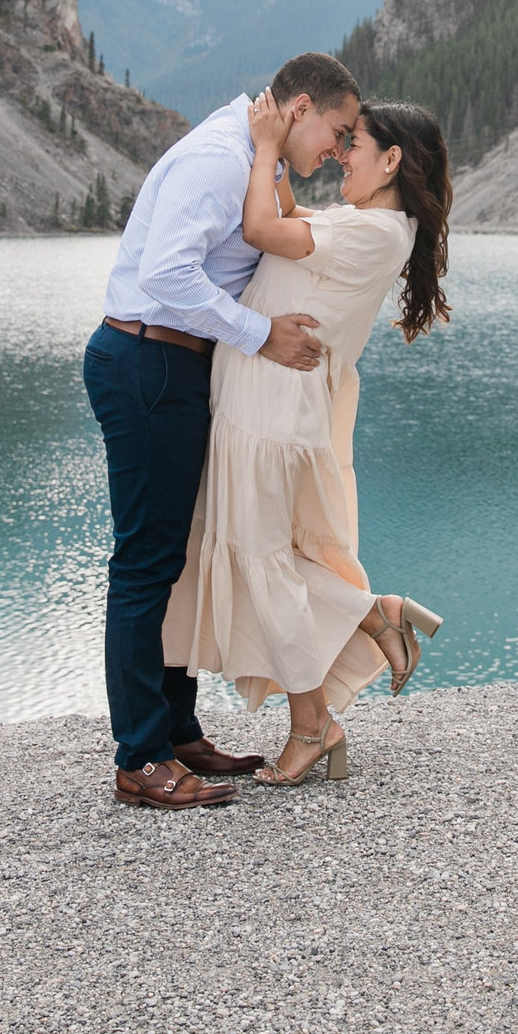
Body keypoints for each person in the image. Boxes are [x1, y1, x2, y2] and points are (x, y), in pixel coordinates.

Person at [84, 53, 363, 810]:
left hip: (171, 364)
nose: (337, 153)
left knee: (175, 554)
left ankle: (176, 729)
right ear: (300, 107)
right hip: (148, 360)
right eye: (337, 133)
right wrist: (259, 334)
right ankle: (140, 757)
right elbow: (170, 276)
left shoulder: (254, 158)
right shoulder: (217, 159)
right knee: (145, 563)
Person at [164, 93, 452, 787]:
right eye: (342, 139)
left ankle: (313, 724)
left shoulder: (377, 231)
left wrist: (265, 146)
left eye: (355, 144)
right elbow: (292, 216)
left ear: (391, 160)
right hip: (259, 403)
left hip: (269, 411)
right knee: (268, 561)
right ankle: (368, 622)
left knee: (264, 564)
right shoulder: (368, 221)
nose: (343, 155)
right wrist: (285, 144)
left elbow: (263, 228)